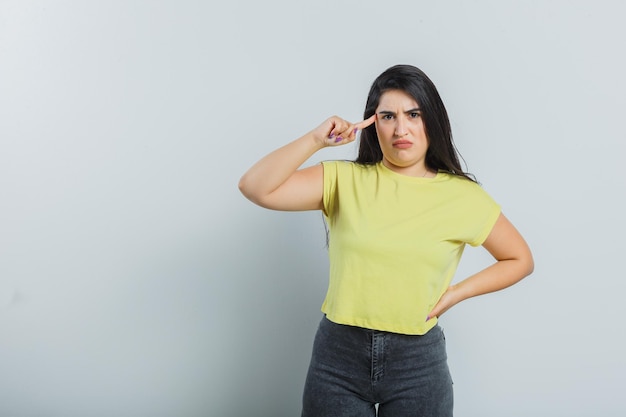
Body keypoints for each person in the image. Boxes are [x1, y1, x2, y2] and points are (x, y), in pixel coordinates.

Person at [238, 64, 534, 417]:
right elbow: (254, 187)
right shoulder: (344, 179)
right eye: (387, 116)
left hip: (418, 362)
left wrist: (456, 293)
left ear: (432, 120)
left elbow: (519, 259)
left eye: (413, 114)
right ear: (372, 123)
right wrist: (316, 139)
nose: (400, 128)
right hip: (338, 358)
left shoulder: (463, 197)